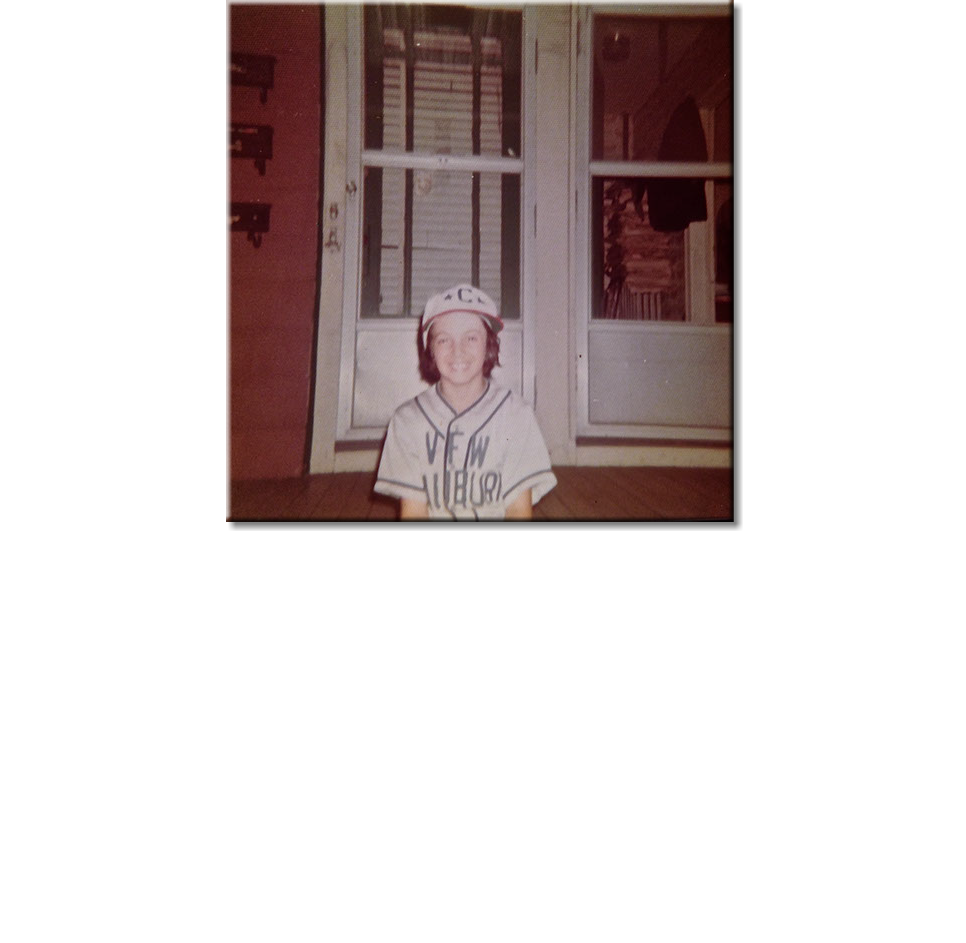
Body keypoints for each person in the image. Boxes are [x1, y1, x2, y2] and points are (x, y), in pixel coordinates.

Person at [373, 284, 557, 520]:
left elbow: (518, 511)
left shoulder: (516, 415)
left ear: (489, 344)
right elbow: (414, 512)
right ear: (430, 349)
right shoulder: (407, 420)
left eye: (471, 338)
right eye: (443, 340)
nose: (457, 350)